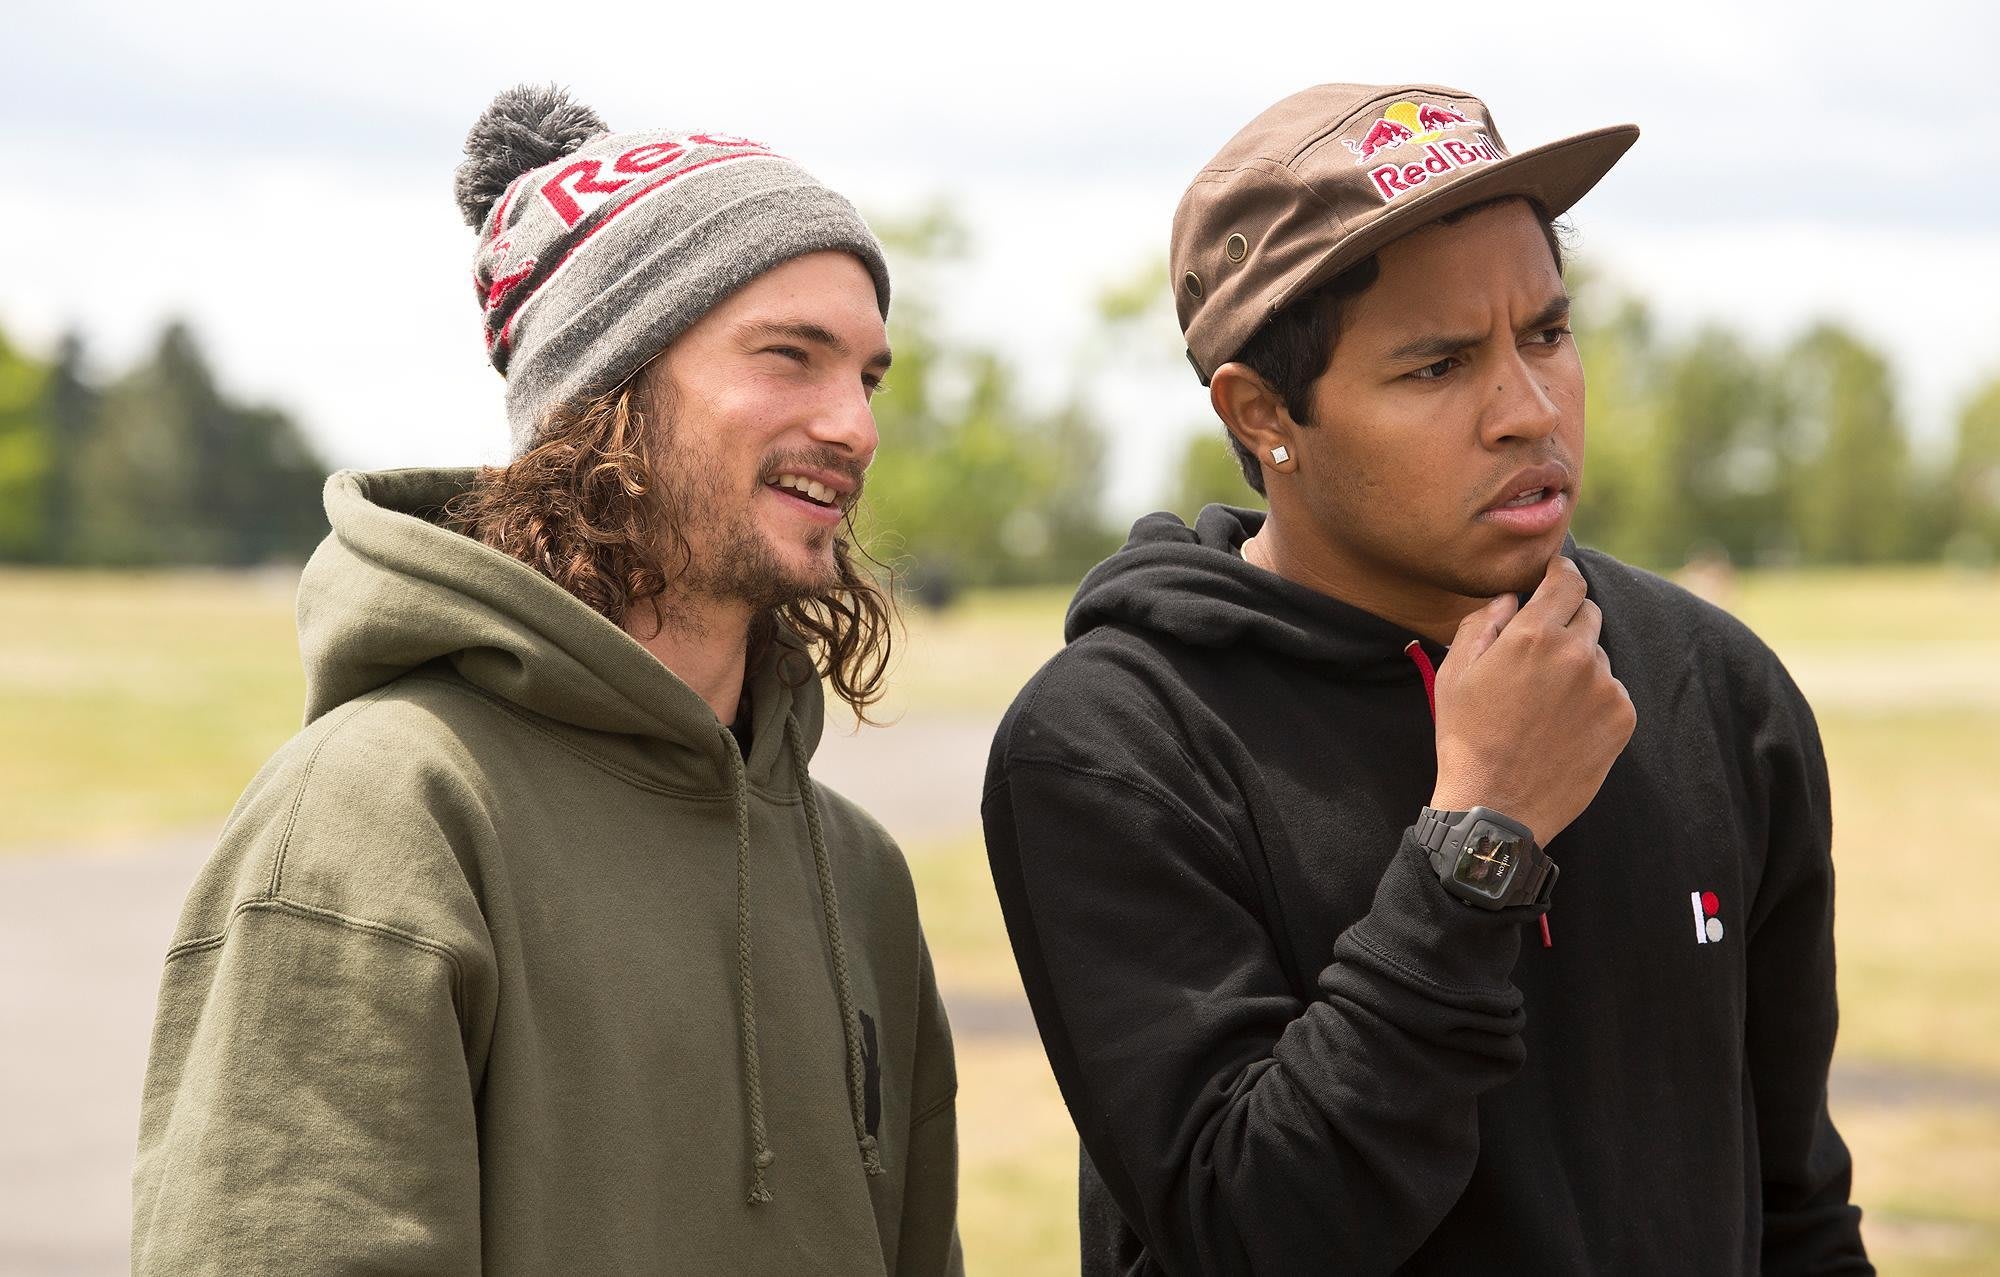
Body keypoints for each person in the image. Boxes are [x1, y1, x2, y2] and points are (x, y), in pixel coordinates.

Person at [982, 82, 1870, 1274]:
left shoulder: (1714, 687)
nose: (1528, 409)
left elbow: (1793, 1208)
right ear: (1262, 413)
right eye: (1438, 365)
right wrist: (1481, 836)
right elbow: (1248, 1227)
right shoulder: (1116, 744)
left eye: (1545, 333)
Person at [133, 85, 961, 1275]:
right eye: (790, 356)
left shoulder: (858, 872)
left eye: (867, 377)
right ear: (606, 392)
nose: (854, 426)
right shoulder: (383, 815)